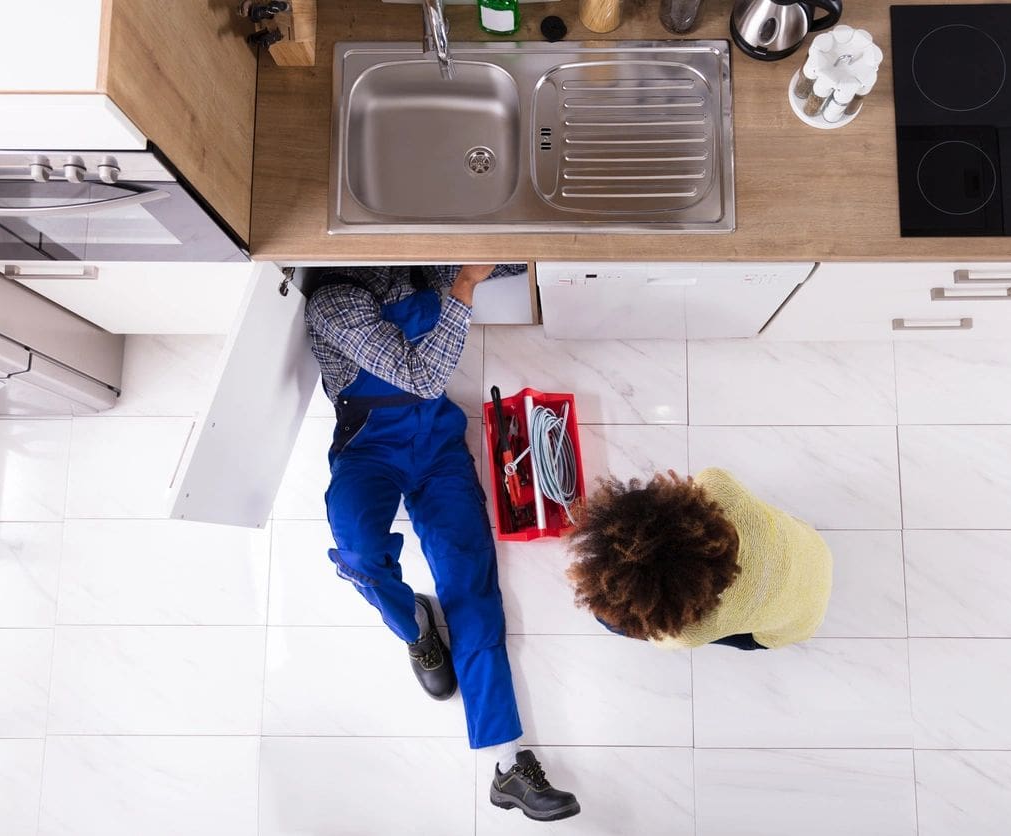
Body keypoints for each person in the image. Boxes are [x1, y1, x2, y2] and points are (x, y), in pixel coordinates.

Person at [305, 264, 580, 823]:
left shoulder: (420, 266)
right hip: (368, 451)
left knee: (473, 591)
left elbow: (505, 258)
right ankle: (416, 629)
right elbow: (422, 376)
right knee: (359, 554)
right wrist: (463, 287)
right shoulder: (332, 301)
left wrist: (511, 249)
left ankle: (508, 766)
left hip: (437, 448)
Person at [565, 468, 832, 650]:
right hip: (813, 548)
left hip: (796, 624)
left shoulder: (693, 632)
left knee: (609, 622)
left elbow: (662, 636)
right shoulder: (717, 483)